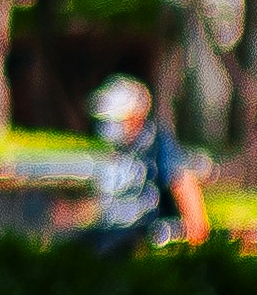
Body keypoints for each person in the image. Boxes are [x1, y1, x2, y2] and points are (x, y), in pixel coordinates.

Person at [88, 71, 208, 249]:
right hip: (110, 236)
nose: (107, 128)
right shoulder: (114, 150)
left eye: (116, 120)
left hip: (145, 239)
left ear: (136, 118)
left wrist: (190, 230)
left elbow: (183, 184)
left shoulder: (158, 145)